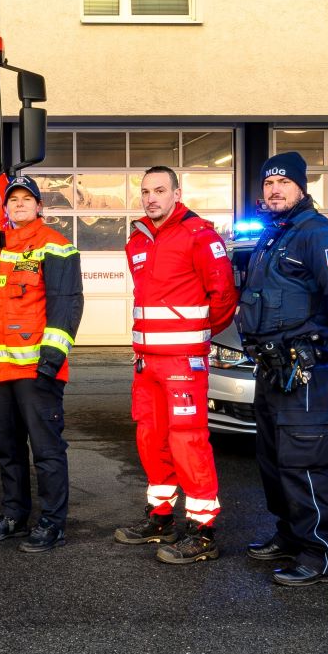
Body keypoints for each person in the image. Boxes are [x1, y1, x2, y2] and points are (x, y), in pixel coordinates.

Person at [234, 151, 328, 587]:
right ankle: (288, 536)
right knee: (272, 458)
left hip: (301, 367)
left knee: (303, 460)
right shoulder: (274, 236)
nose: (274, 190)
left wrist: (318, 344)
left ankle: (319, 554)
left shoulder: (318, 234)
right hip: (270, 367)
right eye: (268, 184)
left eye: (283, 183)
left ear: (301, 188)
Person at [113, 165, 237, 563]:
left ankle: (202, 531)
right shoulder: (137, 240)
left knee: (188, 441)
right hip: (146, 363)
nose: (151, 198)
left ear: (176, 193)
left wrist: (194, 337)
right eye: (146, 191)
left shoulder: (199, 235)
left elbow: (223, 298)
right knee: (151, 439)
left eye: (160, 190)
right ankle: (161, 517)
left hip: (184, 362)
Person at [0, 173, 81, 552]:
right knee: (8, 449)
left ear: (39, 206)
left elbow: (67, 304)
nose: (19, 204)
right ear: (6, 208)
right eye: (13, 199)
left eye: (26, 199)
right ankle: (14, 514)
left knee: (47, 451)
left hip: (36, 371)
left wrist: (52, 359)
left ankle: (52, 523)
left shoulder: (56, 246)